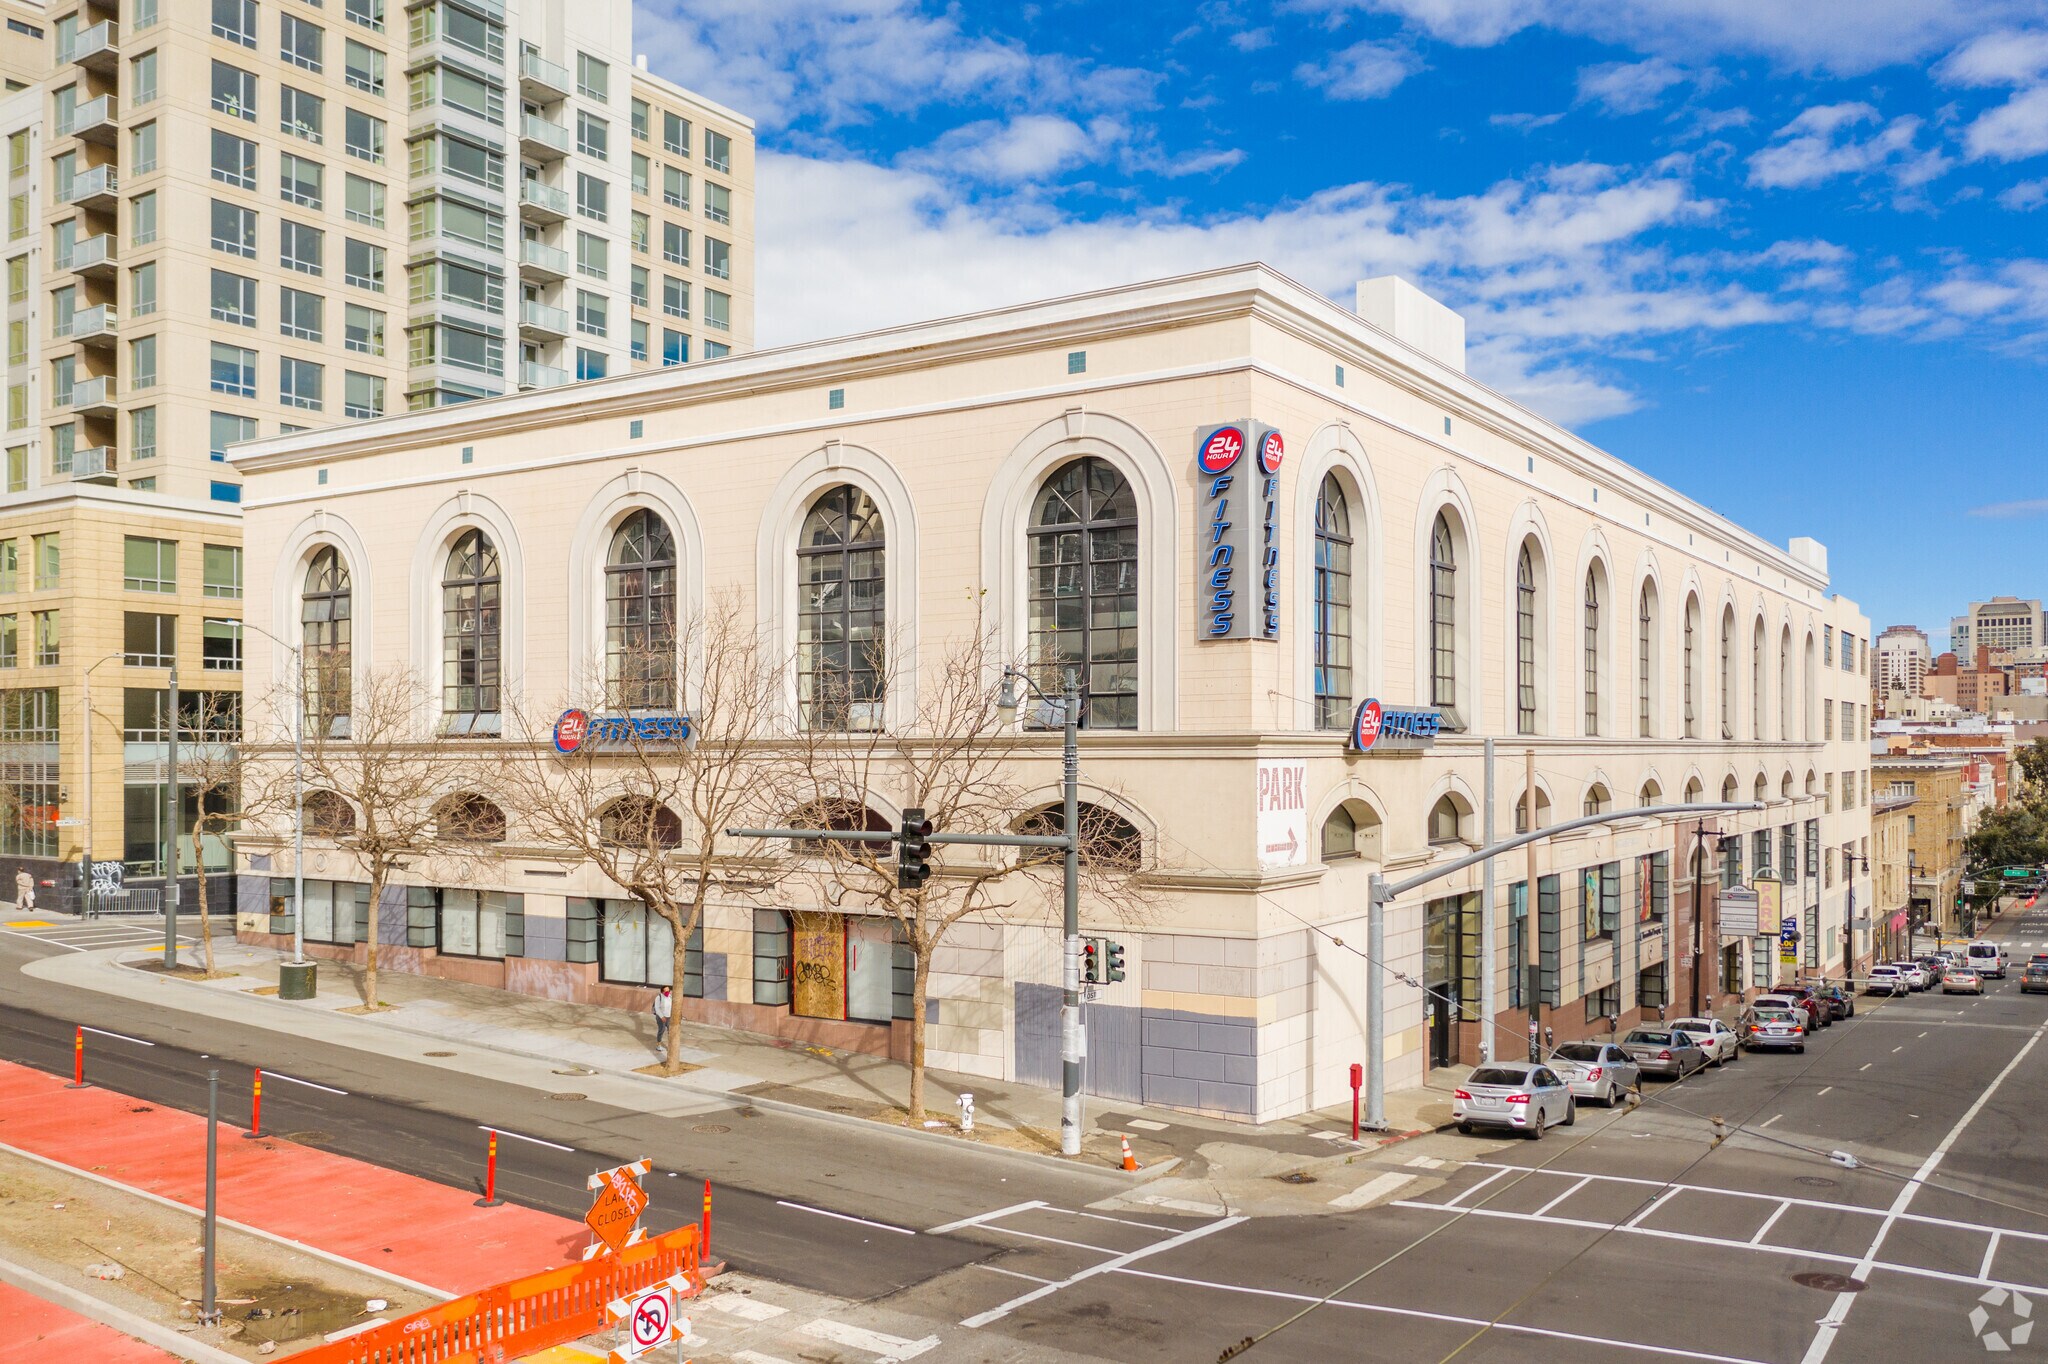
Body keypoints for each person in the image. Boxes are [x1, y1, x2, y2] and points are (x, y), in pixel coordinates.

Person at [652, 985, 672, 1051]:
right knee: (662, 1030)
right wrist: (662, 1016)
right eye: (665, 991)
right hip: (661, 1017)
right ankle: (658, 1045)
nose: (667, 992)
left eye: (668, 990)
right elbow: (657, 1008)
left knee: (671, 1031)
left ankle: (671, 1045)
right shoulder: (659, 997)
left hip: (669, 1017)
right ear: (662, 991)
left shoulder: (670, 997)